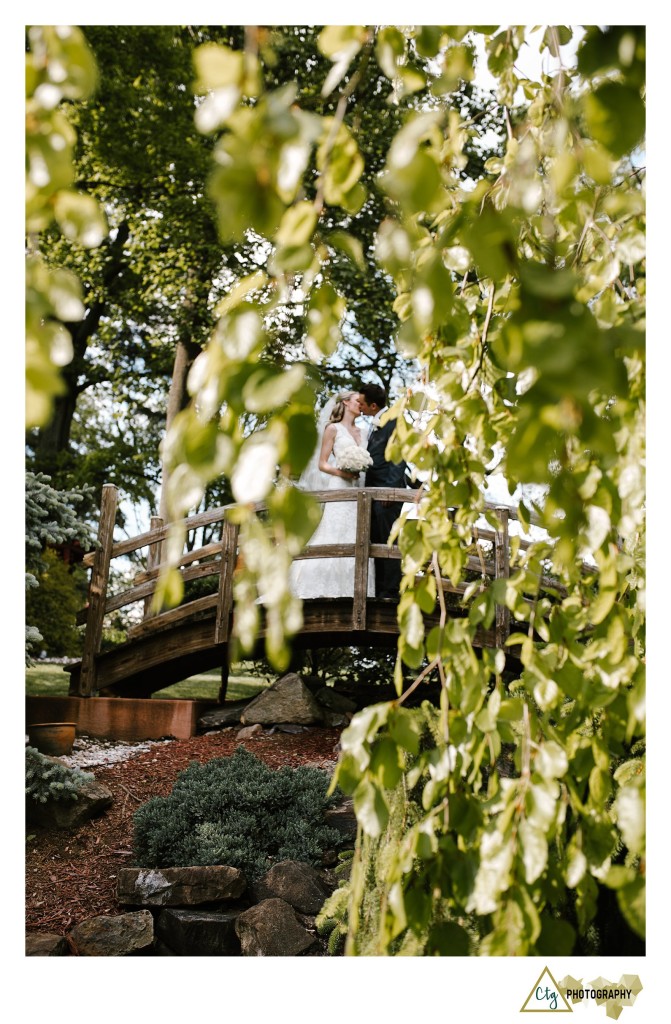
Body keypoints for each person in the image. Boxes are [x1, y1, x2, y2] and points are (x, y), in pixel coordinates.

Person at [290, 391, 375, 599]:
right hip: (340, 485)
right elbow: (322, 464)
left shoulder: (364, 432)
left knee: (359, 534)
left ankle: (355, 591)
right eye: (358, 401)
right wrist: (343, 472)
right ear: (346, 402)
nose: (361, 405)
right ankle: (320, 588)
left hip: (360, 489)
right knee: (335, 529)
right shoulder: (333, 429)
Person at [358, 382, 415, 599]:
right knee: (376, 538)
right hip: (373, 493)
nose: (360, 407)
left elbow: (399, 457)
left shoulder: (394, 420)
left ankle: (390, 590)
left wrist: (390, 490)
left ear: (373, 405)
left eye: (363, 404)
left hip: (386, 493)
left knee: (388, 538)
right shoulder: (375, 423)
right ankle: (378, 587)